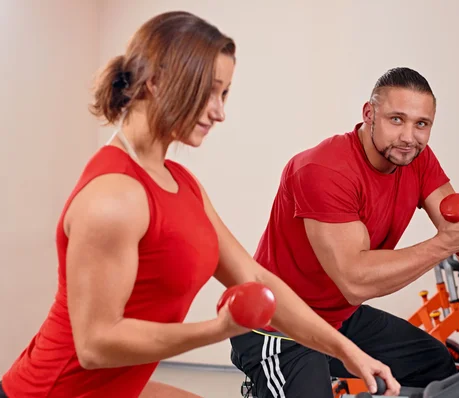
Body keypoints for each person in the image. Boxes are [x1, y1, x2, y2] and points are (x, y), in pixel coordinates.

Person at [0, 11, 399, 398]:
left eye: (224, 93)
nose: (219, 111)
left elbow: (256, 280)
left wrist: (348, 352)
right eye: (209, 90)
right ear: (156, 81)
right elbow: (96, 345)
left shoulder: (182, 183)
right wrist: (219, 328)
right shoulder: (113, 197)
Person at [229, 67, 459, 397]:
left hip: (338, 318)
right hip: (277, 326)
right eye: (396, 119)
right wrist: (444, 245)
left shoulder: (418, 160)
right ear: (369, 114)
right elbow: (355, 280)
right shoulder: (324, 170)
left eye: (421, 124)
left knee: (436, 367)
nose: (409, 136)